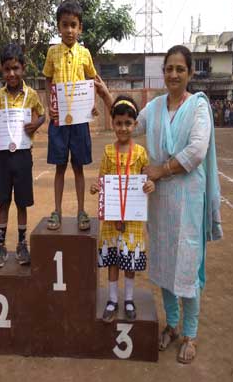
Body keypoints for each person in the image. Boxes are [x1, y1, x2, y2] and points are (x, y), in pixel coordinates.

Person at [95, 45, 222, 364]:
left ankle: (190, 333)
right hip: (159, 199)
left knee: (188, 264)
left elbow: (196, 151)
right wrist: (105, 94)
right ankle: (173, 326)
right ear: (163, 72)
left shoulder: (198, 107)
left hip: (188, 198)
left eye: (180, 69)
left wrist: (161, 170)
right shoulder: (153, 108)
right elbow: (127, 123)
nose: (174, 74)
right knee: (165, 263)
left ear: (190, 73)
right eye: (169, 68)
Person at [90, 95, 154, 323]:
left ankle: (128, 298)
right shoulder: (108, 152)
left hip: (133, 219)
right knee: (114, 260)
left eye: (128, 123)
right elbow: (102, 179)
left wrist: (150, 184)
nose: (123, 128)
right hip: (111, 216)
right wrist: (96, 186)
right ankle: (112, 299)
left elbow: (147, 177)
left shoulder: (140, 153)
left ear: (135, 125)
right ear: (113, 122)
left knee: (129, 260)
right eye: (119, 123)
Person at [42, 0, 97, 231]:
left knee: (79, 167)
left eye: (74, 25)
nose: (69, 30)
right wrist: (49, 105)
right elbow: (47, 79)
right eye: (65, 25)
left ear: (80, 27)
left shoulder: (85, 54)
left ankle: (82, 211)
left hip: (79, 121)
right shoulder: (52, 52)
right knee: (59, 167)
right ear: (58, 26)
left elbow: (92, 79)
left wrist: (91, 103)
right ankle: (57, 211)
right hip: (58, 120)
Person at [0, 43, 45, 268]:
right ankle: (0, 245)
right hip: (3, 156)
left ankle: (22, 244)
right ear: (2, 71)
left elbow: (42, 115)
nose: (11, 73)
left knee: (21, 202)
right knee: (3, 202)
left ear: (23, 68)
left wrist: (35, 124)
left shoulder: (31, 95)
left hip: (23, 156)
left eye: (15, 68)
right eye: (7, 69)